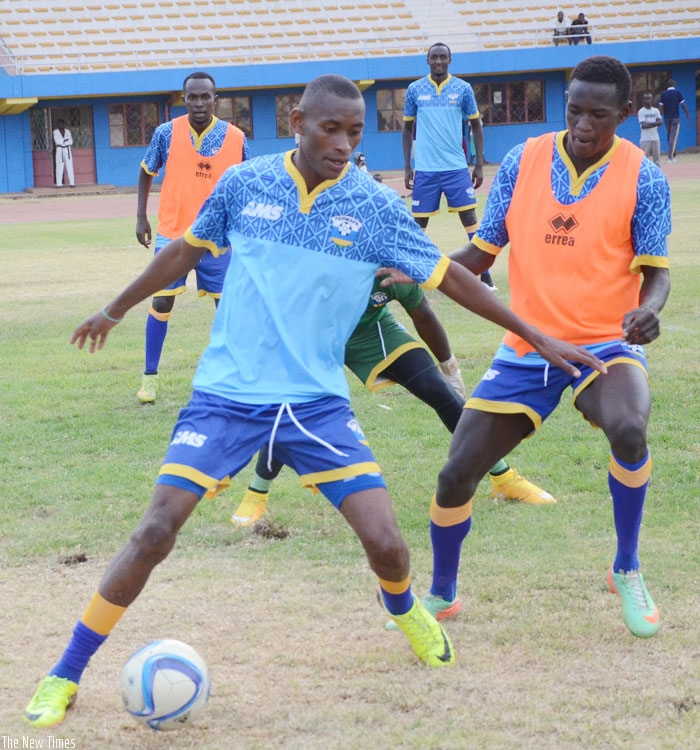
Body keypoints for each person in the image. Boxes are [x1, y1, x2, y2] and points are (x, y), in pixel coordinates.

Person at [24, 73, 605, 730]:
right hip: (227, 398)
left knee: (386, 543)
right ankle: (64, 673)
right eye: (331, 128)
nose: (344, 143)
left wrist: (533, 333)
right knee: (155, 531)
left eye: (356, 133)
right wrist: (114, 308)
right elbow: (184, 253)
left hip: (316, 407)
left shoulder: (376, 209)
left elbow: (451, 280)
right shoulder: (245, 186)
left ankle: (405, 609)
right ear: (298, 119)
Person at [383, 56, 671, 637]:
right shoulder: (524, 160)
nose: (583, 123)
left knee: (629, 428)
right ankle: (443, 594)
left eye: (598, 114)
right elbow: (482, 256)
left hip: (604, 344)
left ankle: (627, 566)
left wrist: (650, 310)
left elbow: (657, 272)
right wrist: (414, 271)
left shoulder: (645, 176)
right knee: (455, 475)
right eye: (574, 109)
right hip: (527, 345)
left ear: (622, 113)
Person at [231, 277, 555, 527]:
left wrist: (449, 367)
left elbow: (424, 314)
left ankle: (503, 478)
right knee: (291, 406)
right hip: (312, 335)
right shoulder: (323, 257)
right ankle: (256, 494)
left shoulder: (394, 266)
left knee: (440, 392)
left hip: (372, 332)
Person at [135, 71, 248, 404]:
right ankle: (149, 379)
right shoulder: (166, 133)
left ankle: (235, 378)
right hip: (173, 234)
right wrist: (141, 216)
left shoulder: (236, 137)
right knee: (161, 301)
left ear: (216, 99)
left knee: (226, 308)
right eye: (192, 97)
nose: (199, 103)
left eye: (205, 97)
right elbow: (146, 171)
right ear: (183, 99)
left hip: (219, 238)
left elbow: (245, 183)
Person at [403, 42, 496, 291]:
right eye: (434, 57)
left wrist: (478, 164)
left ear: (450, 60)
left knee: (470, 218)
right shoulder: (414, 90)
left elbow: (476, 126)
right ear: (428, 61)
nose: (438, 62)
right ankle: (413, 275)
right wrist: (407, 166)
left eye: (443, 57)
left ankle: (485, 276)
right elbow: (407, 129)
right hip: (425, 169)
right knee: (418, 224)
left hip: (456, 167)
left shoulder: (463, 89)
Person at [657, 79, 690, 163]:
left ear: (667, 86)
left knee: (669, 136)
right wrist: (687, 114)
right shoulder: (677, 93)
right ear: (674, 85)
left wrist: (660, 116)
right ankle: (670, 157)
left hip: (667, 118)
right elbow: (683, 104)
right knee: (673, 137)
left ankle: (673, 154)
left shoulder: (664, 94)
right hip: (675, 117)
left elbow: (661, 107)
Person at [638, 92, 662, 166]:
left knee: (657, 160)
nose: (647, 100)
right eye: (646, 99)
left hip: (655, 138)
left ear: (652, 99)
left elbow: (660, 122)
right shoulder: (641, 111)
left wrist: (648, 123)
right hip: (645, 139)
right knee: (643, 160)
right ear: (643, 100)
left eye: (649, 98)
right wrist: (655, 123)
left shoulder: (656, 111)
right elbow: (644, 125)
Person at [52, 119, 75, 187]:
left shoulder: (67, 131)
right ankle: (59, 184)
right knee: (59, 167)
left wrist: (63, 141)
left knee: (70, 166)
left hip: (67, 150)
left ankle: (72, 183)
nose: (60, 125)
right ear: (57, 125)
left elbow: (71, 141)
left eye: (62, 124)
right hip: (59, 149)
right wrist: (64, 140)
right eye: (59, 124)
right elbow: (57, 141)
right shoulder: (55, 131)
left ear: (64, 124)